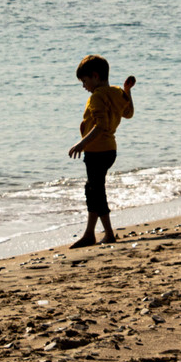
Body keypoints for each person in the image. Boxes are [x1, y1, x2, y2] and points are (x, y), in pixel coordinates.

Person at [66, 55, 136, 248]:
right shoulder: (115, 92)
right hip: (109, 150)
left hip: (97, 151)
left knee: (96, 191)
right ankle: (89, 233)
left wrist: (82, 143)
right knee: (92, 189)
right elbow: (128, 113)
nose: (84, 86)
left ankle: (108, 233)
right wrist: (127, 92)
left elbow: (101, 125)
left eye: (84, 81)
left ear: (95, 76)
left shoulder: (97, 96)